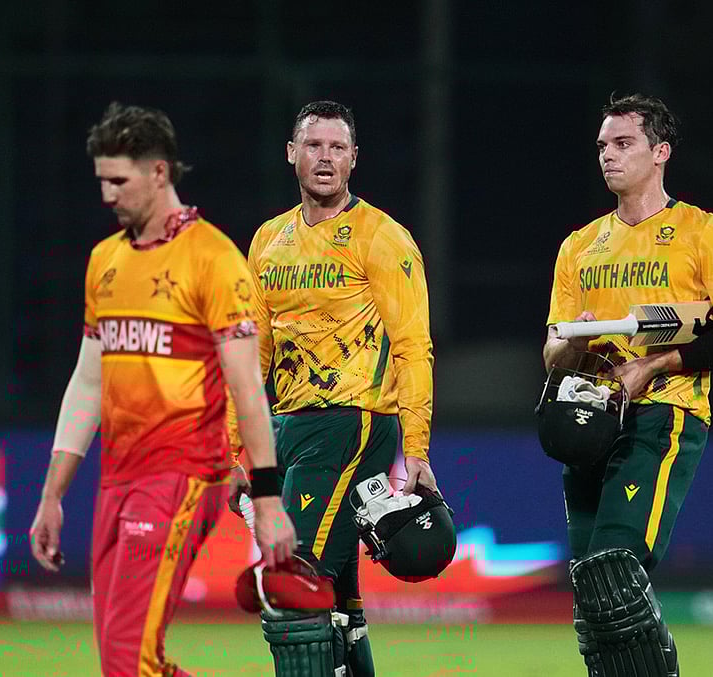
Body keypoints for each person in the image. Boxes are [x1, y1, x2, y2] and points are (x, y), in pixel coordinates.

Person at [27, 102, 297, 677]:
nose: (107, 195)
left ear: (159, 173)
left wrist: (269, 499)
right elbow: (86, 382)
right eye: (101, 181)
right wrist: (53, 494)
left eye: (118, 181)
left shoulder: (213, 259)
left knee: (126, 659)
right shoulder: (104, 260)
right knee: (128, 661)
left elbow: (248, 386)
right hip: (116, 478)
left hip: (181, 477)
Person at [543, 93, 713, 676]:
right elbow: (552, 354)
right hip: (589, 421)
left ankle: (658, 665)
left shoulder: (703, 231)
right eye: (601, 146)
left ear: (660, 152)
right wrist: (574, 344)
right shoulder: (578, 246)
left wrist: (655, 366)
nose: (608, 156)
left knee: (616, 568)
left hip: (662, 416)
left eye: (623, 144)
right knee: (592, 595)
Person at [227, 100, 437, 677]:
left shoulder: (382, 237)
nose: (325, 158)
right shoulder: (268, 241)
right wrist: (235, 450)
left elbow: (414, 346)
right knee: (337, 602)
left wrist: (414, 449)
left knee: (294, 589)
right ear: (292, 155)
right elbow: (254, 355)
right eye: (314, 146)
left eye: (338, 147)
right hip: (289, 427)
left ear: (354, 160)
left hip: (352, 422)